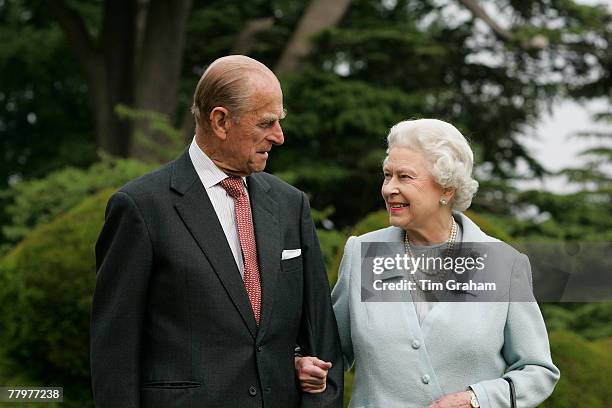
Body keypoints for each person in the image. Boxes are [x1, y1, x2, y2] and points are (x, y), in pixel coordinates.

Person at [91, 55, 343, 408]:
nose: (279, 136)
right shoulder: (140, 207)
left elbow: (322, 341)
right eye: (267, 123)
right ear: (221, 121)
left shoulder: (291, 205)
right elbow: (113, 353)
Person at [299, 119, 559, 407]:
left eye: (405, 177)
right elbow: (329, 351)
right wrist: (304, 363)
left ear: (446, 189)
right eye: (387, 176)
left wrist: (476, 399)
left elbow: (537, 371)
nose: (389, 189)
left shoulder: (502, 264)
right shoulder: (364, 253)